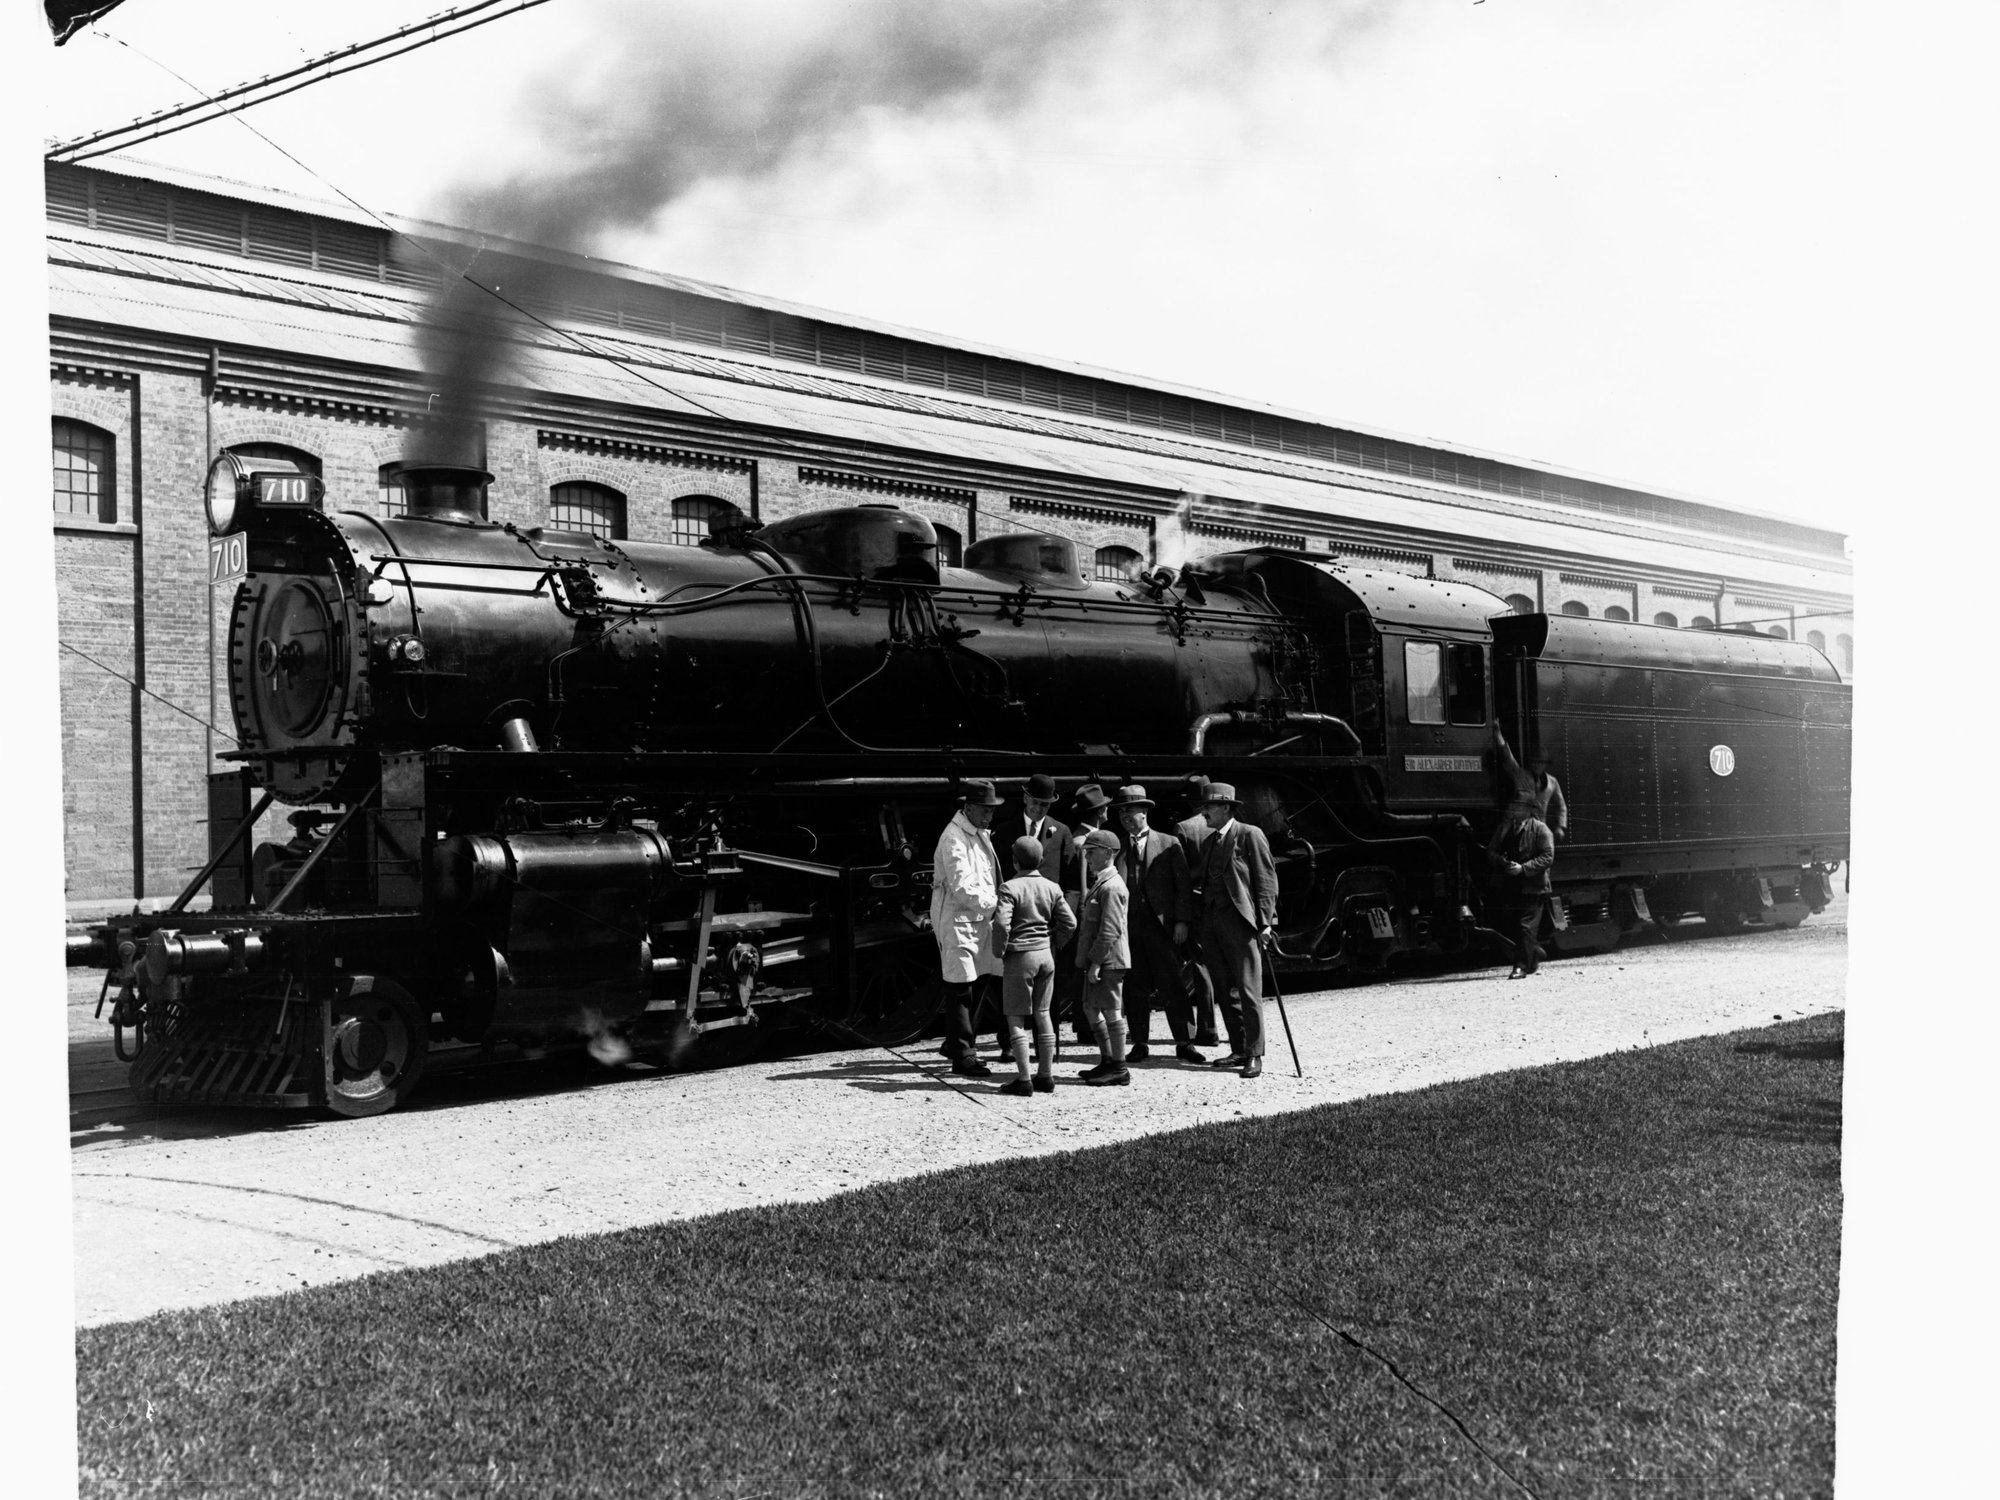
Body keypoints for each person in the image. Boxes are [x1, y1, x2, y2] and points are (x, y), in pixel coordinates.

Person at [1107, 785, 1204, 1066]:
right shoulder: (1118, 847)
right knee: (1135, 985)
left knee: (1172, 982)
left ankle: (1185, 1042)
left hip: (1163, 927)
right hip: (1129, 928)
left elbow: (1182, 886)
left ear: (1145, 811)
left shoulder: (1168, 843)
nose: (1125, 815)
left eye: (1131, 810)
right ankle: (1139, 1042)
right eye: (1121, 811)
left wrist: (1182, 921)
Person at [1194, 783, 1279, 1080]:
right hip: (1212, 924)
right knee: (1224, 988)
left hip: (1242, 924)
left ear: (1227, 808)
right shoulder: (1207, 843)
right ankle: (1239, 1048)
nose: (1204, 811)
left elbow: (1266, 879)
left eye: (1210, 807)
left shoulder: (1249, 834)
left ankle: (1254, 1054)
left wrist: (1266, 922)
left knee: (1248, 990)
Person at [929, 779, 1006, 1077]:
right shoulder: (953, 838)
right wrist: (997, 905)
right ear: (969, 808)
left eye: (992, 810)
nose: (990, 816)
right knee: (961, 989)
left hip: (978, 921)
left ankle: (956, 1043)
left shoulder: (977, 832)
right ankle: (963, 1056)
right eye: (985, 810)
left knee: (980, 979)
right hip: (958, 921)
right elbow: (962, 886)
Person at [990, 834, 1077, 1095]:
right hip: (1045, 956)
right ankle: (1046, 1076)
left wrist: (1000, 951)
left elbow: (1002, 924)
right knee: (1043, 1014)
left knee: (1015, 1017)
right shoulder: (1052, 887)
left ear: (1015, 861)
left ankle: (1024, 1079)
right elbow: (1070, 923)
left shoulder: (1009, 888)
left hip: (1020, 958)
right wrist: (1055, 943)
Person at [1072, 827, 1132, 1086]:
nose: (1087, 857)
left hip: (1108, 961)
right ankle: (1108, 1061)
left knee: (1111, 1011)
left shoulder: (1112, 887)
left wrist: (1096, 961)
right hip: (1100, 960)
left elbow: (1110, 929)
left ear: (1108, 853)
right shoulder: (1103, 882)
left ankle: (1119, 1067)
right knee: (1091, 1008)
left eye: (1091, 852)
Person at [1060, 783, 1113, 1049]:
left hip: (1084, 916)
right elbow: (1080, 888)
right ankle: (1087, 1027)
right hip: (1090, 917)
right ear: (1100, 811)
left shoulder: (1079, 837)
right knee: (1089, 972)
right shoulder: (1086, 843)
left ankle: (1084, 1025)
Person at [1173, 775, 1224, 1048]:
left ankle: (1207, 1028)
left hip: (1195, 903)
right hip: (1221, 904)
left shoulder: (1183, 828)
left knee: (1200, 965)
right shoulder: (1227, 825)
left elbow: (1180, 875)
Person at [1487, 802, 1555, 977]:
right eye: (1512, 807)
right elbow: (1491, 851)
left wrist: (1523, 868)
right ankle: (1534, 952)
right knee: (1512, 925)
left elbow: (1548, 856)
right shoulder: (1504, 828)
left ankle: (1521, 967)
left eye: (1517, 807)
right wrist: (1502, 861)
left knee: (1525, 926)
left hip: (1533, 886)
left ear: (1528, 810)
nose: (1513, 810)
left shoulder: (1541, 829)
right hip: (1509, 885)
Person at [996, 773, 1073, 884]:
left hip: (1049, 900)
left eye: (1044, 804)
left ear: (1050, 805)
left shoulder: (1062, 832)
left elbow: (1072, 878)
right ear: (1025, 799)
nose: (1038, 808)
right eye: (1035, 802)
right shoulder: (1004, 831)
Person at [1526, 748, 1569, 843]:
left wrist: (1560, 826)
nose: (1535, 765)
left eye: (1539, 762)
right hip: (1523, 828)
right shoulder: (1523, 777)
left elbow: (1561, 806)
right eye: (1533, 762)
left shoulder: (1552, 782)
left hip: (1541, 828)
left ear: (1545, 764)